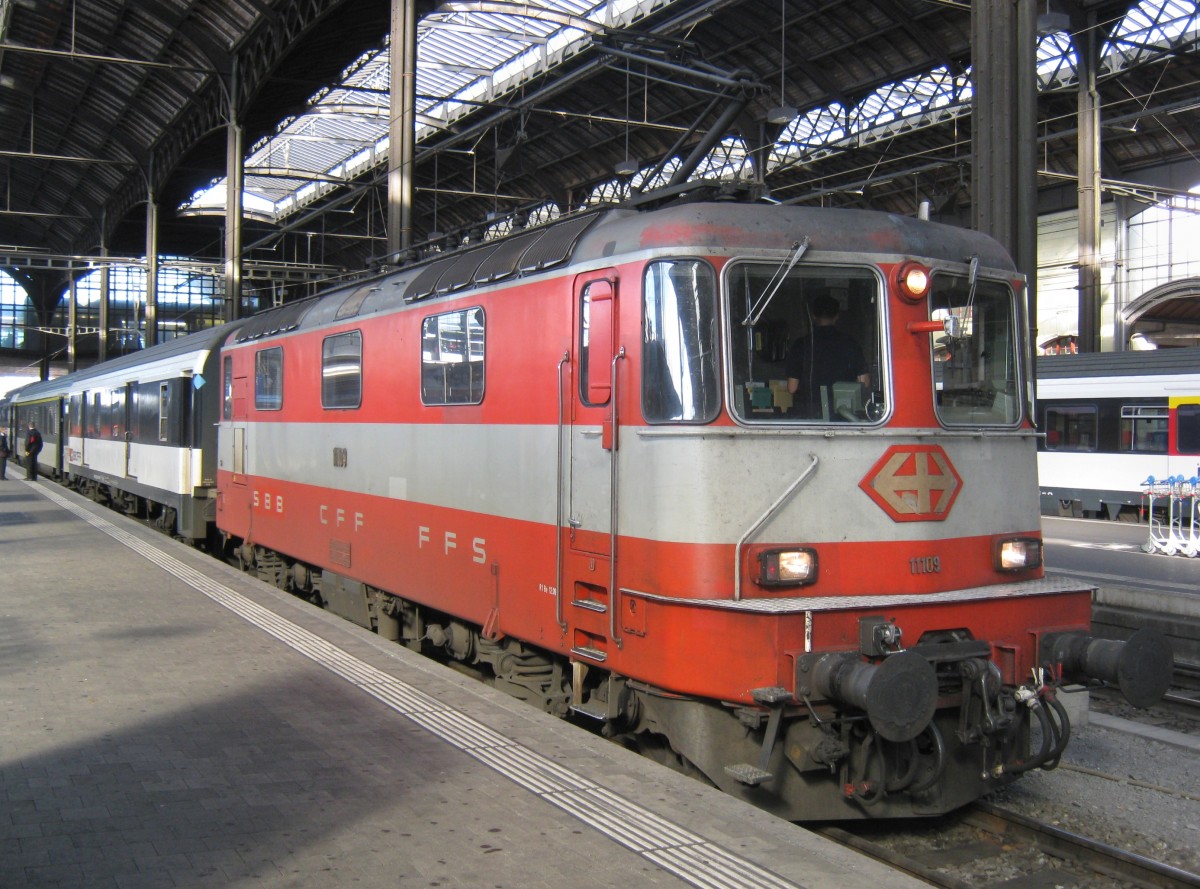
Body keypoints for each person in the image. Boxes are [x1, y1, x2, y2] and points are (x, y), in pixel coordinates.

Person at [785, 294, 870, 419]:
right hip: (844, 416)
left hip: (808, 416)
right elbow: (864, 382)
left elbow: (792, 388)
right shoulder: (850, 343)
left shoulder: (801, 345)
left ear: (813, 316)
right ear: (837, 316)